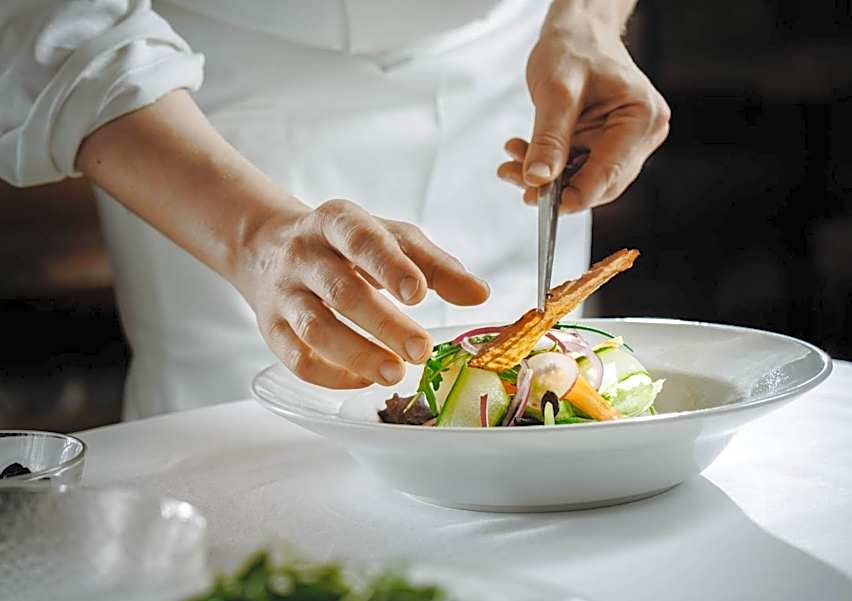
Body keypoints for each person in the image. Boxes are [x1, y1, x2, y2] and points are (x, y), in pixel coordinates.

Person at [0, 0, 668, 419]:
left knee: (544, 406)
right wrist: (255, 236)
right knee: (251, 458)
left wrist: (590, 18)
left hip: (515, 70)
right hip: (191, 107)